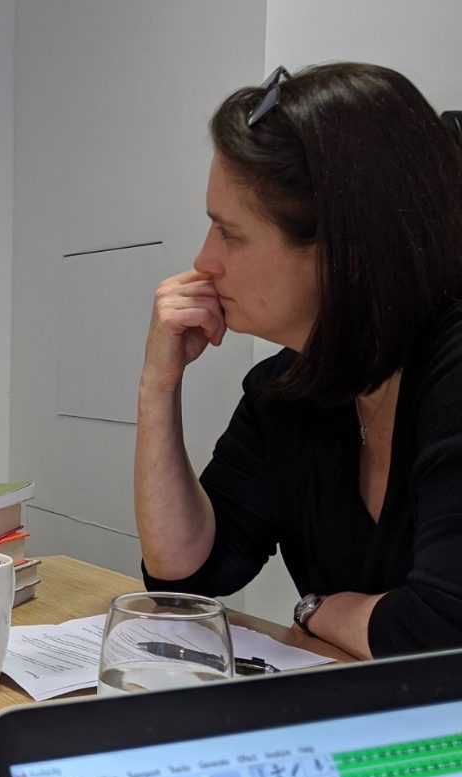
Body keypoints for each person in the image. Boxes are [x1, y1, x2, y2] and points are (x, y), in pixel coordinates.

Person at [134, 62, 462, 660]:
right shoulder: (286, 388)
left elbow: (444, 631)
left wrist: (322, 610)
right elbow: (186, 577)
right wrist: (159, 384)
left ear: (342, 252)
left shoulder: (453, 367)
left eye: (228, 234)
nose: (204, 262)